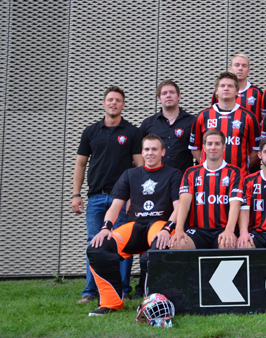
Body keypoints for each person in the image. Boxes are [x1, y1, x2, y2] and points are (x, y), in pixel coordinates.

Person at [85, 135, 181, 316]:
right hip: (136, 227)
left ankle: (154, 303)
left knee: (155, 252)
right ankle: (111, 302)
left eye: (154, 149)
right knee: (97, 248)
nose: (150, 153)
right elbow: (115, 207)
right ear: (142, 153)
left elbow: (179, 208)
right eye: (147, 149)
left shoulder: (173, 174)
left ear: (163, 152)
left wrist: (167, 229)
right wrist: (105, 228)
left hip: (160, 226)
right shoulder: (130, 174)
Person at [72, 86, 143, 305]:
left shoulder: (132, 132)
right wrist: (76, 194)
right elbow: (80, 164)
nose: (113, 103)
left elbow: (139, 166)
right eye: (110, 100)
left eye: (118, 100)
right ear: (104, 103)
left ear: (123, 105)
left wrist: (133, 197)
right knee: (93, 243)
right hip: (95, 197)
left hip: (121, 199)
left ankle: (122, 289)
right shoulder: (90, 131)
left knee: (121, 243)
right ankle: (90, 291)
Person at [170, 129, 245, 250]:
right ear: (204, 147)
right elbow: (184, 204)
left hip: (223, 229)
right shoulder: (191, 172)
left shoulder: (234, 172)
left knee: (228, 244)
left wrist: (229, 230)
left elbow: (235, 204)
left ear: (224, 147)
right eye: (209, 144)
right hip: (198, 231)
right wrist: (179, 229)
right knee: (177, 245)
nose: (213, 147)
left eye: (217, 144)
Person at [190, 71, 260, 170]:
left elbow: (256, 150)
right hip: (209, 176)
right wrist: (207, 167)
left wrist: (242, 170)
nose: (226, 88)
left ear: (237, 91)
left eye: (230, 86)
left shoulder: (248, 117)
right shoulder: (203, 116)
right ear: (216, 91)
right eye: (222, 86)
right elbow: (195, 149)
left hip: (239, 177)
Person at [140, 80, 195, 173]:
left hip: (183, 176)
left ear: (179, 96)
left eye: (172, 92)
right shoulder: (148, 123)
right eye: (164, 93)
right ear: (159, 99)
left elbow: (199, 150)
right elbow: (140, 152)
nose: (168, 95)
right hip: (155, 177)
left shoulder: (192, 121)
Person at [210, 54, 262, 124]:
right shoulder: (221, 92)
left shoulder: (257, 92)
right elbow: (213, 113)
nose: (240, 68)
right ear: (230, 69)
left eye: (244, 66)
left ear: (248, 71)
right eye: (237, 65)